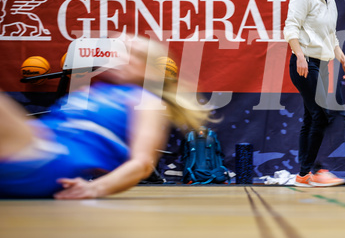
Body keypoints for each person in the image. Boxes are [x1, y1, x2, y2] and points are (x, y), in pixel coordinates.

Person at [0, 37, 211, 199]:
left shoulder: (146, 102)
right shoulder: (94, 92)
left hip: (53, 157)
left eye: (133, 54)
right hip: (37, 142)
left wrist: (95, 188)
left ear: (151, 71)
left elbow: (142, 163)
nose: (120, 56)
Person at [284, 0, 345, 187]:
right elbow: (291, 28)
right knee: (323, 115)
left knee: (312, 117)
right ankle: (315, 170)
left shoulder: (330, 0)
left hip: (324, 64)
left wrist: (343, 60)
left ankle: (304, 174)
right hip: (305, 64)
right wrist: (300, 56)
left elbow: (331, 36)